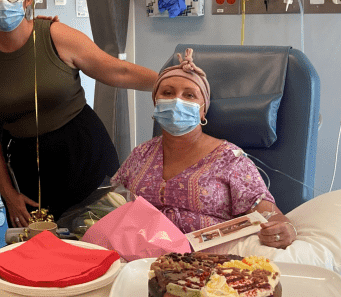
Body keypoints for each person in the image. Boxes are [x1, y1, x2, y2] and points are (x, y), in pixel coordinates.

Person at [0, 0, 158, 227]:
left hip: (85, 155)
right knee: (40, 255)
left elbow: (117, 71)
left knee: (101, 245)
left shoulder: (54, 35)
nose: (3, 1)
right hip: (29, 170)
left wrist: (166, 82)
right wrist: (8, 194)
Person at [111, 48, 297, 248]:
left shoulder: (229, 159)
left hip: (207, 262)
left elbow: (269, 214)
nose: (177, 101)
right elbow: (112, 202)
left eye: (189, 95)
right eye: (168, 93)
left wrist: (286, 229)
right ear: (156, 102)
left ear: (203, 111)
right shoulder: (141, 154)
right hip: (139, 257)